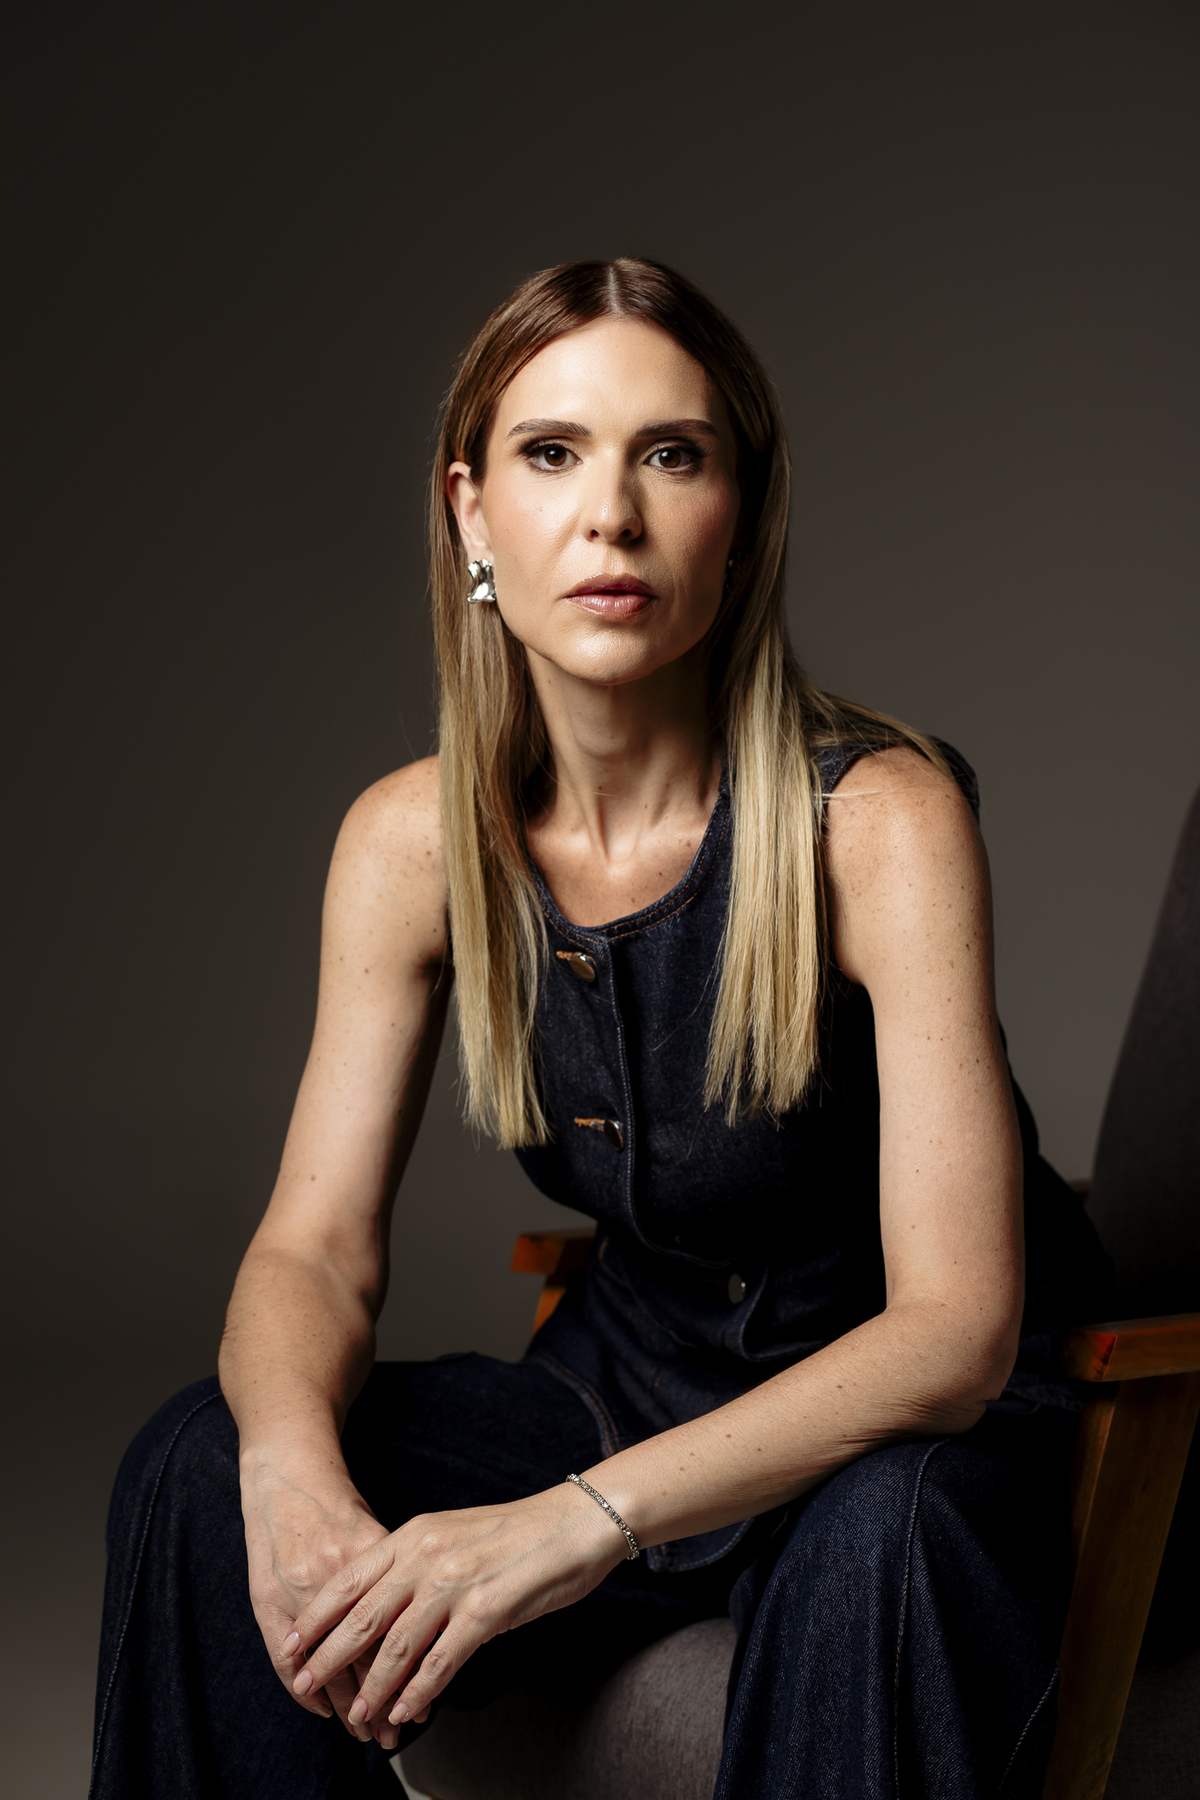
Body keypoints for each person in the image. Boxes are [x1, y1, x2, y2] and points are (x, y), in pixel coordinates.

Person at [91, 257, 1112, 1800]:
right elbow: (312, 1249)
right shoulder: (411, 844)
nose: (611, 516)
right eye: (553, 453)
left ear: (741, 514)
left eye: (673, 455)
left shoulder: (878, 822)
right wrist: (288, 1475)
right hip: (626, 1386)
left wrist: (579, 1522)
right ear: (471, 512)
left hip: (914, 1442)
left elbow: (953, 1334)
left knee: (880, 1542)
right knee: (194, 1462)